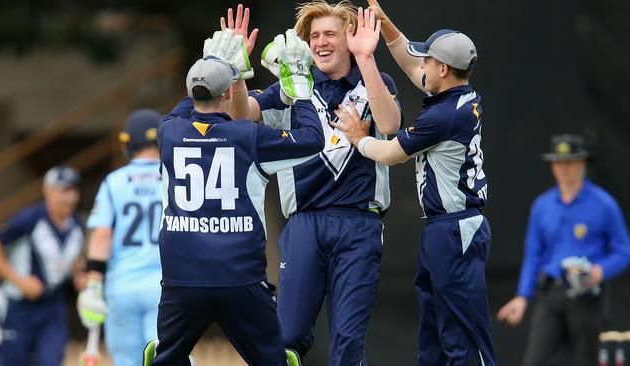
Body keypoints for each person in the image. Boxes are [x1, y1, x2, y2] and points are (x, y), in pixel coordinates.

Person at [223, 2, 402, 364]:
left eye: (330, 34)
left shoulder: (375, 82)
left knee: (348, 341)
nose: (320, 42)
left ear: (350, 38)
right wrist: (237, 72)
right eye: (314, 35)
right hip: (304, 222)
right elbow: (241, 116)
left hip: (359, 222)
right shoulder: (292, 84)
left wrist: (366, 59)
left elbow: (392, 125)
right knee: (285, 336)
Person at [144, 35, 324, 365]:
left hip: (181, 281)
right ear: (229, 92)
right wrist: (300, 92)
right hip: (241, 279)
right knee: (274, 361)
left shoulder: (168, 131)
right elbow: (313, 140)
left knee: (166, 359)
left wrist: (213, 63)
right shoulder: (248, 136)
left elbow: (185, 106)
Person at [331, 5, 497, 362]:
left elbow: (391, 153)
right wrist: (386, 25)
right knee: (435, 330)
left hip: (455, 229)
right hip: (444, 229)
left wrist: (359, 137)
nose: (420, 66)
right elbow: (410, 62)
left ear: (442, 69)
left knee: (463, 332)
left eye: (427, 62)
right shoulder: (457, 96)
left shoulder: (443, 116)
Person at [496, 134, 630, 366]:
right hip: (552, 292)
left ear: (582, 164)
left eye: (569, 162)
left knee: (586, 360)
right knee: (534, 360)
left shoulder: (604, 204)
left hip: (587, 295)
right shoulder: (543, 205)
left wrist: (600, 272)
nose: (563, 169)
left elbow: (624, 251)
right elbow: (533, 255)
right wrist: (523, 295)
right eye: (558, 162)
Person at [76, 109, 163, 366]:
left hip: (121, 286)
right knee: (169, 357)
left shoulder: (114, 182)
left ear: (127, 143)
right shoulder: (175, 178)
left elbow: (102, 235)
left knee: (127, 361)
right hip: (165, 287)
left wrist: (93, 285)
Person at [0, 165, 84, 366]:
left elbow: (73, 258)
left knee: (50, 360)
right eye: (63, 191)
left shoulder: (77, 225)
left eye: (73, 191)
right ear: (48, 191)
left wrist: (80, 275)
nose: (69, 198)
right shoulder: (29, 219)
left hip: (53, 306)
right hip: (19, 306)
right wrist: (18, 281)